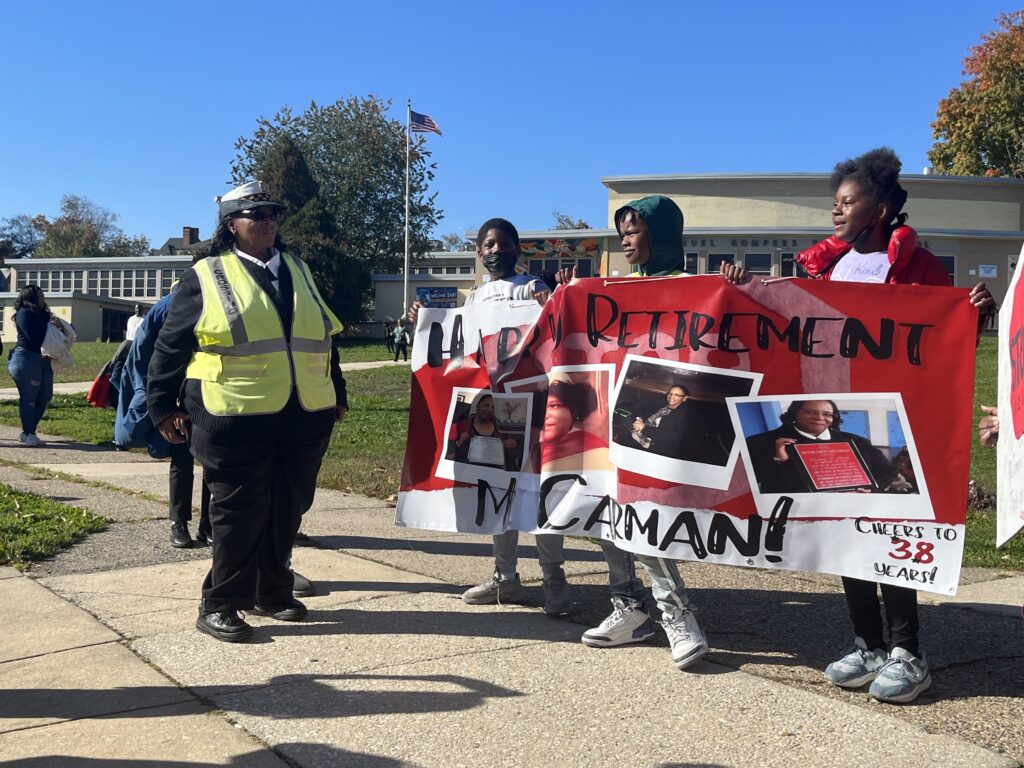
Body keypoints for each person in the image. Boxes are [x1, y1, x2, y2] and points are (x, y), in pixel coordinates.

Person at [796, 147, 995, 703]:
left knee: (894, 527)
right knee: (847, 530)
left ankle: (909, 652)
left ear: (879, 207)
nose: (836, 211)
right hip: (837, 409)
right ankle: (868, 644)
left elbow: (949, 334)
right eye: (833, 203)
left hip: (894, 416)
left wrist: (978, 308)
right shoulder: (825, 265)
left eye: (847, 201)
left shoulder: (918, 264)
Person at [147, 180, 347, 643]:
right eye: (256, 214)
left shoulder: (297, 267)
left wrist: (337, 391)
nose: (268, 221)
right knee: (238, 510)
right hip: (233, 412)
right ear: (231, 224)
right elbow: (170, 346)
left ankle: (271, 590)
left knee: (289, 505)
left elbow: (322, 335)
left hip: (303, 412)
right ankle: (219, 602)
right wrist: (161, 406)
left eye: (274, 213)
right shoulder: (206, 274)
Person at [581, 195, 744, 671]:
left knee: (647, 516)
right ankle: (628, 608)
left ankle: (677, 615)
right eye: (622, 232)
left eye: (634, 231)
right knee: (610, 517)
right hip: (614, 424)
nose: (625, 240)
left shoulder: (693, 288)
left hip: (668, 440)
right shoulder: (615, 291)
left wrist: (738, 285)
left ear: (660, 234)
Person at [411, 218, 567, 614]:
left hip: (535, 406)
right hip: (492, 407)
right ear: (479, 252)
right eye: (489, 245)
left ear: (518, 248)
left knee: (536, 492)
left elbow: (559, 332)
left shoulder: (535, 289)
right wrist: (427, 322)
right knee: (497, 488)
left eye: (504, 243)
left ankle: (554, 579)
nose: (496, 251)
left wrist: (552, 299)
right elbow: (460, 347)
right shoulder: (476, 297)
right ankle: (505, 576)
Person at [114, 277, 213, 548]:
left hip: (204, 391)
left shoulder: (211, 302)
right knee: (182, 459)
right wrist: (165, 405)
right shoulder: (171, 308)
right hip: (176, 394)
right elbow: (147, 360)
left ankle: (208, 524)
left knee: (210, 462)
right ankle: (179, 523)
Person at [745, 400, 912, 494]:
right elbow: (755, 486)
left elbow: (888, 472)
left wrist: (870, 490)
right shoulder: (759, 442)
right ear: (795, 412)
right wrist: (778, 460)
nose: (819, 418)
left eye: (827, 414)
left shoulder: (858, 442)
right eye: (810, 412)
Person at [8, 285, 56, 447]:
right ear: (30, 298)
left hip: (43, 358)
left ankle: (29, 431)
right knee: (29, 398)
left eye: (43, 296)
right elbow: (34, 336)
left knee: (45, 395)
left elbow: (49, 333)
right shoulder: (24, 313)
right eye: (39, 296)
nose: (43, 299)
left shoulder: (45, 315)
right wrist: (51, 327)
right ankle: (29, 432)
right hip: (26, 358)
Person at [539, 379, 609, 473]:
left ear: (574, 412)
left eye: (554, 406)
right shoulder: (535, 450)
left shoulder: (596, 450)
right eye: (542, 407)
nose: (545, 415)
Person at [628, 384, 712, 461]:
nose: (671, 397)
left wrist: (644, 428)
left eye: (677, 395)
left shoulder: (688, 414)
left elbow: (676, 438)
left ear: (685, 397)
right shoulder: (662, 402)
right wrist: (639, 419)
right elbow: (638, 404)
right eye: (670, 393)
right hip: (637, 433)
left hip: (655, 448)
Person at [448, 393, 517, 468]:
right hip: (467, 472)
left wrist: (511, 446)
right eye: (486, 405)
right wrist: (459, 444)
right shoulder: (460, 426)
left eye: (493, 407)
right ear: (477, 406)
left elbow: (506, 457)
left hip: (493, 473)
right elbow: (447, 457)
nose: (489, 409)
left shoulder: (500, 430)